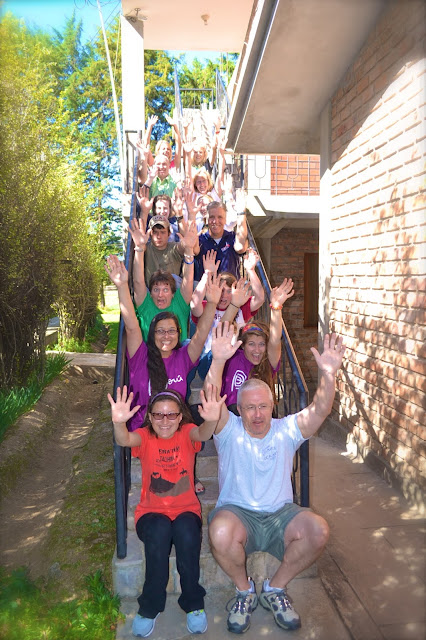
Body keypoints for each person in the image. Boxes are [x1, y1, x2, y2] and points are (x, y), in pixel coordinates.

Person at [201, 325, 346, 634]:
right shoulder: (228, 431)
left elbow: (320, 410)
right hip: (238, 514)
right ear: (238, 409)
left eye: (263, 406)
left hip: (280, 515)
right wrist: (218, 360)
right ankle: (244, 591)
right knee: (220, 531)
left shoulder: (286, 430)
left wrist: (328, 375)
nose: (257, 414)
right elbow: (211, 398)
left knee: (318, 529)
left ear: (272, 406)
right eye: (250, 408)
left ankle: (274, 589)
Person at [108, 384, 226, 636]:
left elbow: (203, 434)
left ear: (180, 416)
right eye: (158, 415)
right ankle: (150, 606)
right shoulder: (145, 436)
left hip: (186, 510)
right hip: (150, 514)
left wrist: (212, 419)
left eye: (171, 414)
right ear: (150, 417)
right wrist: (119, 422)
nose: (165, 420)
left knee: (186, 532)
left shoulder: (187, 432)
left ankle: (193, 603)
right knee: (160, 530)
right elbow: (124, 439)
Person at [104, 255, 223, 430]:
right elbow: (131, 327)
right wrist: (122, 286)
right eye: (160, 331)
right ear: (152, 333)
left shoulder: (183, 357)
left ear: (178, 333)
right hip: (144, 431)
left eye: (171, 331)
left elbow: (201, 335)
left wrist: (212, 303)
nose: (166, 336)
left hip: (175, 429)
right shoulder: (140, 356)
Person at [205, 277, 294, 414]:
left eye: (262, 344)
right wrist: (235, 304)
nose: (257, 350)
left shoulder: (268, 362)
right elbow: (222, 330)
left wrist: (276, 307)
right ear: (242, 345)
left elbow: (275, 340)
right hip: (233, 414)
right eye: (251, 344)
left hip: (260, 415)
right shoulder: (233, 357)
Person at [188, 248, 265, 385]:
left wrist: (251, 270)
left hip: (232, 360)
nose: (224, 296)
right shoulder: (207, 306)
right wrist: (207, 274)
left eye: (229, 291)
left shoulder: (240, 308)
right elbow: (194, 304)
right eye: (221, 290)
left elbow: (259, 299)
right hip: (209, 360)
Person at [129, 218, 199, 341]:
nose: (160, 294)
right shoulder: (146, 306)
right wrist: (139, 248)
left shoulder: (179, 304)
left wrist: (188, 249)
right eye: (156, 290)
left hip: (177, 351)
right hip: (152, 352)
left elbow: (187, 280)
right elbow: (138, 281)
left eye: (165, 290)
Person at [129, 213, 199, 288]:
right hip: (151, 291)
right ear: (150, 234)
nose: (159, 236)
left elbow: (184, 247)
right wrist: (139, 246)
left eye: (163, 232)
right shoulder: (146, 248)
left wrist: (187, 245)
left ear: (169, 233)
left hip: (172, 291)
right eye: (155, 232)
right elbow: (140, 248)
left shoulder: (174, 248)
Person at [194, 199, 248, 282]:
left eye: (220, 217)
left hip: (230, 288)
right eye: (212, 217)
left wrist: (241, 214)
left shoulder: (232, 237)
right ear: (206, 220)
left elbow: (240, 247)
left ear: (225, 220)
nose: (215, 221)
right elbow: (192, 251)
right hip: (205, 288)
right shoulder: (200, 240)